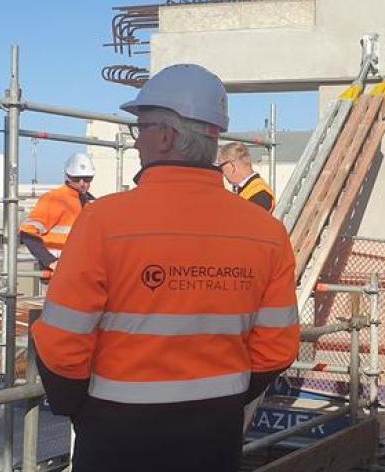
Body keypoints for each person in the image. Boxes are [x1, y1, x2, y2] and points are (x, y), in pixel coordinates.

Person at [30, 64, 300, 472]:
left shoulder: (103, 221)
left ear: (167, 135)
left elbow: (61, 345)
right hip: (215, 435)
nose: (136, 142)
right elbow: (276, 348)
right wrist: (225, 399)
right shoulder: (267, 232)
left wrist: (80, 409)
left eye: (141, 129)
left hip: (117, 432)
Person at [19, 152, 96, 272]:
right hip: (57, 275)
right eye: (76, 178)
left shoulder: (89, 203)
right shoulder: (54, 199)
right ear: (68, 177)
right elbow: (27, 233)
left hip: (79, 273)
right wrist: (50, 261)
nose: (82, 182)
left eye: (87, 178)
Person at [217, 141, 276, 212]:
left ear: (231, 165)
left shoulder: (259, 195)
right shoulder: (250, 189)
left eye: (221, 167)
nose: (222, 173)